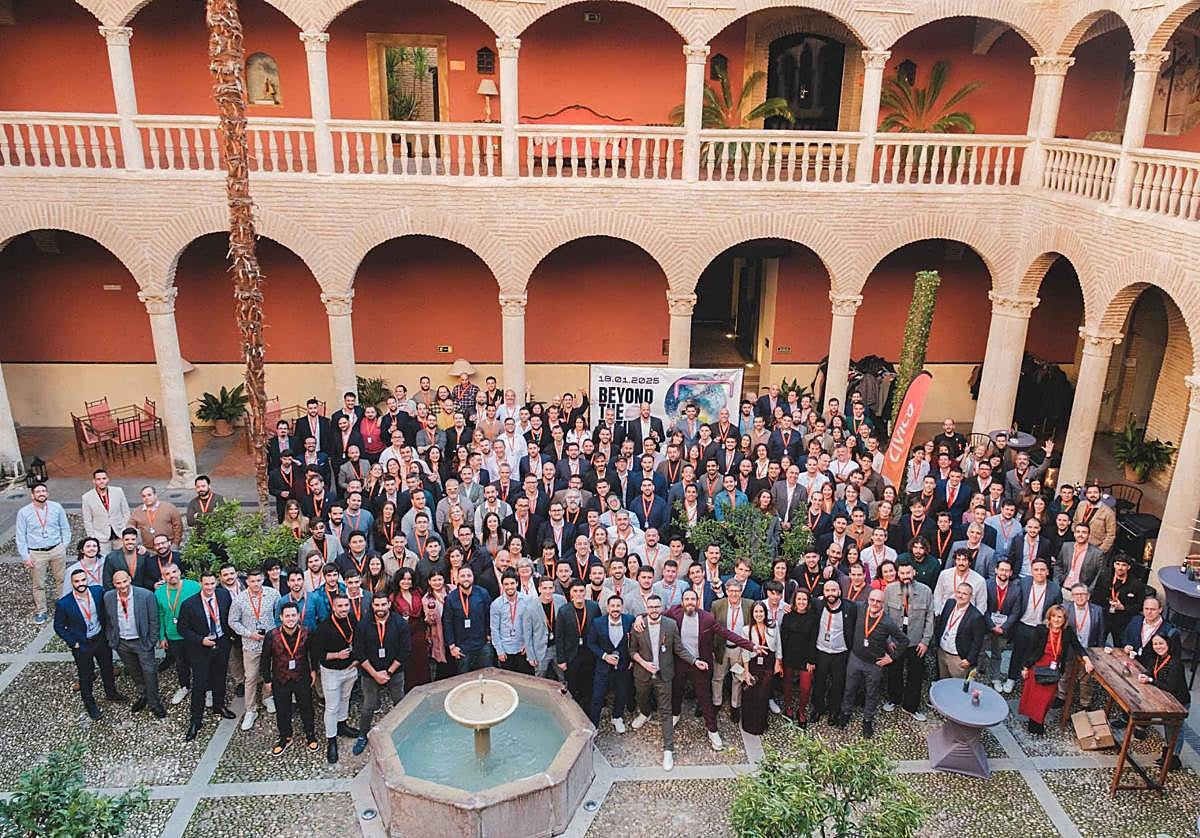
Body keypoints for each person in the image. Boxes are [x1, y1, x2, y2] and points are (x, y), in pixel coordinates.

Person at [664, 589, 754, 751]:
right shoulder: (674, 612)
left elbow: (727, 633)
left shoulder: (707, 618)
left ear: (698, 602)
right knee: (676, 692)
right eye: (686, 599)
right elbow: (655, 614)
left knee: (705, 698)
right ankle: (675, 714)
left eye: (693, 599)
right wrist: (640, 618)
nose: (689, 602)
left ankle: (712, 730)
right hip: (680, 662)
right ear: (682, 602)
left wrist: (751, 646)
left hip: (701, 664)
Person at [629, 593, 697, 769]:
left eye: (656, 607)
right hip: (642, 674)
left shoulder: (670, 624)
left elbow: (679, 648)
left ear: (661, 608)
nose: (654, 610)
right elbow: (632, 651)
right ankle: (645, 713)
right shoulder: (638, 625)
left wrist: (694, 661)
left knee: (666, 711)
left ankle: (668, 750)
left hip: (664, 675)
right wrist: (644, 663)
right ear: (646, 608)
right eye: (651, 607)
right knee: (642, 699)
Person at [55, 568, 124, 719]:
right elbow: (58, 626)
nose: (80, 583)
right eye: (77, 581)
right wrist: (73, 643)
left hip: (100, 639)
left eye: (83, 580)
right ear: (72, 583)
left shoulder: (97, 592)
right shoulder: (64, 603)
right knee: (85, 676)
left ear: (87, 580)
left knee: (107, 668)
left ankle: (111, 693)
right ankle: (90, 704)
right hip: (82, 644)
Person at [177, 570, 237, 741]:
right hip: (200, 648)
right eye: (206, 584)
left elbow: (228, 617)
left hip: (221, 643)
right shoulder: (189, 604)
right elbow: (182, 629)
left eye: (212, 584)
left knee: (220, 677)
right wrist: (201, 640)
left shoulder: (224, 595)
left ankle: (219, 706)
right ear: (200, 584)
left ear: (216, 582)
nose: (210, 587)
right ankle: (196, 720)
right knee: (199, 684)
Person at [840, 589, 906, 737]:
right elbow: (843, 602)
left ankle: (868, 720)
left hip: (874, 664)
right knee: (849, 688)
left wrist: (892, 658)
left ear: (884, 603)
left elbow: (904, 641)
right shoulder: (859, 608)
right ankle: (846, 712)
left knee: (871, 693)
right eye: (872, 600)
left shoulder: (888, 622)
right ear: (867, 600)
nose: (875, 604)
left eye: (879, 601)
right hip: (855, 658)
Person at [352, 593, 411, 756]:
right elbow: (359, 652)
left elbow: (405, 650)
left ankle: (405, 731)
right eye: (377, 605)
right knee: (368, 705)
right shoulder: (363, 624)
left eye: (383, 604)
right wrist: (375, 674)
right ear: (372, 605)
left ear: (389, 604)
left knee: (399, 702)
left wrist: (389, 672)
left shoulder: (399, 623)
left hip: (395, 671)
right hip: (370, 672)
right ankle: (363, 735)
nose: (380, 608)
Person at [103, 569, 165, 718]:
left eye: (124, 581)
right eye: (118, 583)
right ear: (114, 584)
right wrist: (112, 640)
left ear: (130, 579)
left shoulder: (146, 595)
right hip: (122, 643)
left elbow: (154, 619)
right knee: (134, 671)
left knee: (149, 672)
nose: (122, 585)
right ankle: (143, 694)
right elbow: (108, 620)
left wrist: (151, 641)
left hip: (142, 641)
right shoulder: (108, 597)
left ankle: (154, 703)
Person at [260, 601, 319, 755]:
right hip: (280, 678)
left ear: (298, 616)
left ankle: (310, 734)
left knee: (307, 707)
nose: (291, 618)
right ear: (281, 617)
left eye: (293, 615)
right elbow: (265, 659)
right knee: (282, 709)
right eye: (287, 616)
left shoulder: (307, 632)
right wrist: (267, 679)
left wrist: (314, 670)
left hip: (302, 676)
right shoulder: (272, 635)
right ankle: (285, 737)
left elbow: (313, 653)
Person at [309, 592, 360, 764]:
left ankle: (342, 725)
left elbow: (358, 640)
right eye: (340, 606)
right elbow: (317, 654)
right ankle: (331, 740)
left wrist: (357, 660)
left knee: (345, 699)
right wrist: (337, 655)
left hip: (350, 669)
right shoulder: (324, 628)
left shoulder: (352, 619)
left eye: (346, 605)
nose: (344, 609)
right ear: (333, 607)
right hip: (332, 672)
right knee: (331, 707)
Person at [229, 568, 280, 731]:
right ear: (247, 582)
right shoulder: (239, 599)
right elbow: (233, 621)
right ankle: (251, 709)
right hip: (251, 644)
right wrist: (249, 634)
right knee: (250, 677)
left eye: (258, 580)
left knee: (270, 672)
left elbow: (279, 614)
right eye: (252, 581)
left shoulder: (273, 594)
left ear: (263, 579)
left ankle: (267, 697)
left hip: (270, 643)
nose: (256, 584)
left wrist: (275, 633)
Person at [882, 562, 934, 720]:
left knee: (915, 675)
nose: (906, 577)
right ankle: (894, 699)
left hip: (916, 642)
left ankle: (911, 706)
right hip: (896, 641)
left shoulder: (926, 591)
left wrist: (925, 641)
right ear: (898, 574)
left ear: (914, 573)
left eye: (908, 573)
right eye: (902, 573)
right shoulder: (889, 590)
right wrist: (888, 639)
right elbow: (884, 616)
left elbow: (930, 618)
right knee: (894, 672)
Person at [16, 482, 71, 624]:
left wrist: (63, 545)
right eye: (38, 491)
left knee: (62, 579)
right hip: (37, 553)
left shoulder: (56, 507)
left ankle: (64, 606)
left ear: (47, 493)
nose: (41, 493)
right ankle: (41, 610)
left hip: (56, 549)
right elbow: (21, 536)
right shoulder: (24, 512)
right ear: (32, 495)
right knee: (38, 583)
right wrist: (25, 556)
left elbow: (65, 528)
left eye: (43, 491)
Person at [1017, 604, 1075, 734]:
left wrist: (1087, 659)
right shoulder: (1041, 630)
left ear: (1064, 619)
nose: (1056, 620)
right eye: (1053, 616)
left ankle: (1038, 720)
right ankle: (1035, 723)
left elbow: (1077, 646)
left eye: (1059, 617)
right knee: (1034, 697)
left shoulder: (1067, 632)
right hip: (1037, 666)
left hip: (1053, 670)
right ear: (1049, 618)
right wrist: (1025, 667)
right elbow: (1030, 649)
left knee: (1046, 698)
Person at [1136, 633, 1190, 771]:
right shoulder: (1156, 658)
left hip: (1178, 702)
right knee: (1168, 727)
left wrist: (1150, 680)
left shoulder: (1176, 663)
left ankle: (1174, 758)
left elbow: (1170, 686)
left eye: (1161, 643)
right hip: (1166, 699)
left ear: (1168, 644)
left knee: (1175, 730)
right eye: (1155, 644)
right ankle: (1168, 755)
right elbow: (1151, 671)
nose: (1158, 646)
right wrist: (1145, 675)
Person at [587, 595, 635, 732]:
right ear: (607, 608)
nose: (615, 609)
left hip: (623, 666)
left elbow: (636, 641)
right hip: (603, 667)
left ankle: (617, 717)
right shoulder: (597, 622)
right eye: (612, 606)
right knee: (597, 696)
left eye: (618, 606)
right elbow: (591, 643)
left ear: (622, 607)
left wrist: (632, 659)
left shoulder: (630, 620)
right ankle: (593, 725)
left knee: (621, 694)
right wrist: (604, 656)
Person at [734, 601, 782, 736]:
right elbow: (745, 651)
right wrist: (747, 671)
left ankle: (761, 723)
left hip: (768, 663)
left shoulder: (773, 626)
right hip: (753, 663)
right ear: (752, 613)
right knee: (751, 693)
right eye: (756, 611)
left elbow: (778, 644)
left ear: (765, 613)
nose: (759, 614)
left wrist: (778, 662)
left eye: (761, 611)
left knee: (763, 693)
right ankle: (749, 725)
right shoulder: (746, 629)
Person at [812, 580, 856, 727]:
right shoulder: (818, 604)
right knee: (819, 682)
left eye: (833, 590)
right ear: (823, 592)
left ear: (839, 592)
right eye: (827, 590)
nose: (830, 593)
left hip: (840, 653)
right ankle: (818, 708)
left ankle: (833, 711)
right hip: (821, 651)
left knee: (838, 684)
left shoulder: (850, 608)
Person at [156, 562, 200, 706]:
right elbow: (160, 615)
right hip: (173, 634)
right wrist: (162, 636)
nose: (171, 575)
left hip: (193, 633)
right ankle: (184, 686)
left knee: (199, 663)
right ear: (163, 577)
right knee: (181, 664)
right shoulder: (159, 592)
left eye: (174, 572)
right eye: (167, 574)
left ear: (180, 572)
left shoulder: (194, 586)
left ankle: (206, 689)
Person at [711, 578, 755, 722]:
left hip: (739, 650)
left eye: (737, 591)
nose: (734, 594)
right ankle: (716, 703)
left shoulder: (749, 605)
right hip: (722, 648)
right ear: (726, 591)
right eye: (731, 591)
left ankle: (735, 706)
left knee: (738, 678)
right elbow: (712, 628)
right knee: (718, 677)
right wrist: (712, 648)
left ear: (741, 591)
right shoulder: (717, 605)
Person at [556, 580, 602, 708]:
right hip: (571, 655)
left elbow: (599, 630)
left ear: (585, 592)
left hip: (589, 654)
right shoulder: (564, 611)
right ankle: (573, 709)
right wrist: (561, 660)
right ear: (571, 593)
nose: (578, 594)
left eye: (581, 591)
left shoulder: (594, 607)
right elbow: (559, 637)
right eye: (575, 591)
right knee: (572, 686)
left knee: (588, 685)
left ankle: (587, 711)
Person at [1059, 583, 1103, 709]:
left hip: (1088, 649)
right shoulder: (1064, 609)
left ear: (1088, 596)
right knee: (1065, 675)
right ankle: (1061, 696)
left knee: (1086, 678)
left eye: (1082, 594)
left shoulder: (1097, 610)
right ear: (1072, 597)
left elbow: (1101, 632)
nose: (1079, 597)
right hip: (1069, 649)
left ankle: (1085, 702)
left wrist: (1099, 651)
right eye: (1076, 594)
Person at [442, 566, 493, 673]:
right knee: (464, 679)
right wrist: (452, 646)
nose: (466, 578)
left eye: (469, 575)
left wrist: (489, 636)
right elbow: (447, 623)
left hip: (482, 645)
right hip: (462, 648)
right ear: (457, 578)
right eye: (462, 576)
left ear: (473, 577)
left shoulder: (482, 593)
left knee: (487, 675)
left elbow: (489, 615)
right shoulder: (451, 598)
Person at [982, 558, 1022, 693]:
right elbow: (983, 606)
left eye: (1007, 570)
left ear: (1011, 573)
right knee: (979, 650)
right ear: (996, 570)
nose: (1004, 573)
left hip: (1004, 627)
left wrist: (1003, 627)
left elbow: (1016, 612)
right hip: (986, 623)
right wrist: (991, 625)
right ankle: (979, 671)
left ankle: (995, 678)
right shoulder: (987, 584)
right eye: (1001, 569)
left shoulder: (1016, 589)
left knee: (997, 653)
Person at [933, 583, 986, 679]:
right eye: (958, 592)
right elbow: (941, 624)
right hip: (942, 652)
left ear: (971, 596)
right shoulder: (949, 603)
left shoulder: (976, 616)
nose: (960, 596)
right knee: (943, 681)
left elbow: (978, 641)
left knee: (956, 685)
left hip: (958, 657)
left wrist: (969, 660)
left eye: (964, 594)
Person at [779, 589, 817, 725]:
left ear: (808, 601)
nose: (801, 602)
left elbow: (813, 640)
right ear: (794, 600)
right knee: (787, 683)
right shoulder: (788, 615)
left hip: (806, 657)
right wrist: (780, 658)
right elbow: (783, 637)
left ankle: (801, 711)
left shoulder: (813, 617)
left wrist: (811, 660)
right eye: (799, 599)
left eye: (804, 599)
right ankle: (788, 706)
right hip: (789, 655)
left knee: (805, 687)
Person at [389, 568, 430, 688]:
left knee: (422, 662)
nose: (406, 582)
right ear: (398, 580)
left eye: (409, 579)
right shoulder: (393, 597)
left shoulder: (418, 592)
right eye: (403, 579)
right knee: (408, 664)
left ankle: (425, 688)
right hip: (403, 635)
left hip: (419, 632)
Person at [1090, 554, 1142, 646]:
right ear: (1114, 565)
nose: (1120, 568)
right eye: (1117, 564)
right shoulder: (1104, 577)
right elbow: (1095, 597)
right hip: (1104, 616)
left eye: (1123, 565)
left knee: (1120, 645)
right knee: (1096, 642)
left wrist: (1123, 607)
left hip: (1122, 621)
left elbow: (1139, 606)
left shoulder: (1136, 584)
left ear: (1128, 567)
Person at [81, 468, 130, 551]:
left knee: (122, 558)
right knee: (104, 559)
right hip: (101, 539)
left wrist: (124, 527)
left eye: (104, 478)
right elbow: (87, 520)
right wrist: (93, 538)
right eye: (98, 479)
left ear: (108, 479)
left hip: (120, 535)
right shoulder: (87, 497)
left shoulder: (118, 491)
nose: (101, 481)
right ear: (94, 481)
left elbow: (126, 512)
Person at [529, 577, 567, 680]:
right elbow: (528, 633)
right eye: (544, 588)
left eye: (550, 588)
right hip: (541, 650)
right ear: (539, 589)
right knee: (540, 678)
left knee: (563, 677)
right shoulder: (531, 607)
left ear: (554, 588)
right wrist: (531, 655)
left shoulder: (561, 600)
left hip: (558, 648)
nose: (548, 591)